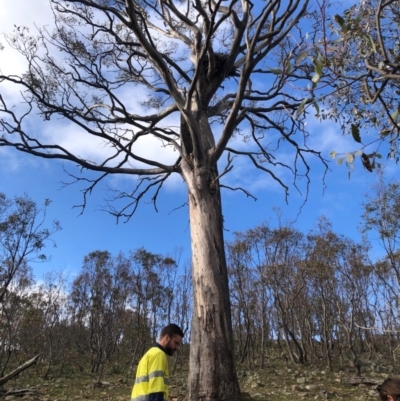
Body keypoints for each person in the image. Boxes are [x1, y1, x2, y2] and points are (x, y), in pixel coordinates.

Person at [131, 323, 184, 401]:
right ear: (166, 338)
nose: (177, 347)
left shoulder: (149, 353)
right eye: (176, 343)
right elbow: (156, 390)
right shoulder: (159, 354)